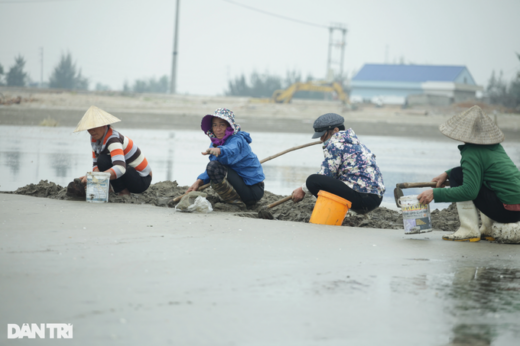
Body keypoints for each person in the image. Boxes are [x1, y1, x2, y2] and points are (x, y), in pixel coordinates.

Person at [418, 105, 520, 242]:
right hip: (516, 210)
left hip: (505, 211)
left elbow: (469, 192)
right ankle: (488, 229)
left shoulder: (471, 152)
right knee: (457, 173)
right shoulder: (495, 147)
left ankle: (469, 229)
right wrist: (447, 173)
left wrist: (434, 193)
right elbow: (482, 168)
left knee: (457, 175)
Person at [292, 113, 385, 214]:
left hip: (362, 197)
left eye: (323, 135)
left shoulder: (336, 144)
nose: (321, 139)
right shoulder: (356, 143)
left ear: (335, 130)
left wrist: (303, 189)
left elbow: (326, 174)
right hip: (375, 198)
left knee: (312, 180)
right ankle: (347, 212)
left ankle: (333, 212)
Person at [66, 106, 152, 197]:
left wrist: (95, 178)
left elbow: (120, 168)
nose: (91, 131)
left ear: (104, 125)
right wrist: (91, 178)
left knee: (103, 160)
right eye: (89, 128)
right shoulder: (95, 139)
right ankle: (109, 188)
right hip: (127, 173)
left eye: (94, 127)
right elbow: (95, 165)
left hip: (141, 180)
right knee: (101, 161)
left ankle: (123, 192)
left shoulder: (113, 139)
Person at [186, 108, 265, 206]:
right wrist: (199, 181)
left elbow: (231, 150)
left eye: (222, 125)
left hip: (253, 190)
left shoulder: (237, 139)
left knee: (213, 166)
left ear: (229, 126)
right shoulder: (215, 143)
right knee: (213, 167)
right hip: (239, 184)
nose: (218, 129)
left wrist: (219, 150)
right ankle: (234, 199)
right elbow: (216, 163)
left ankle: (236, 203)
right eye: (214, 125)